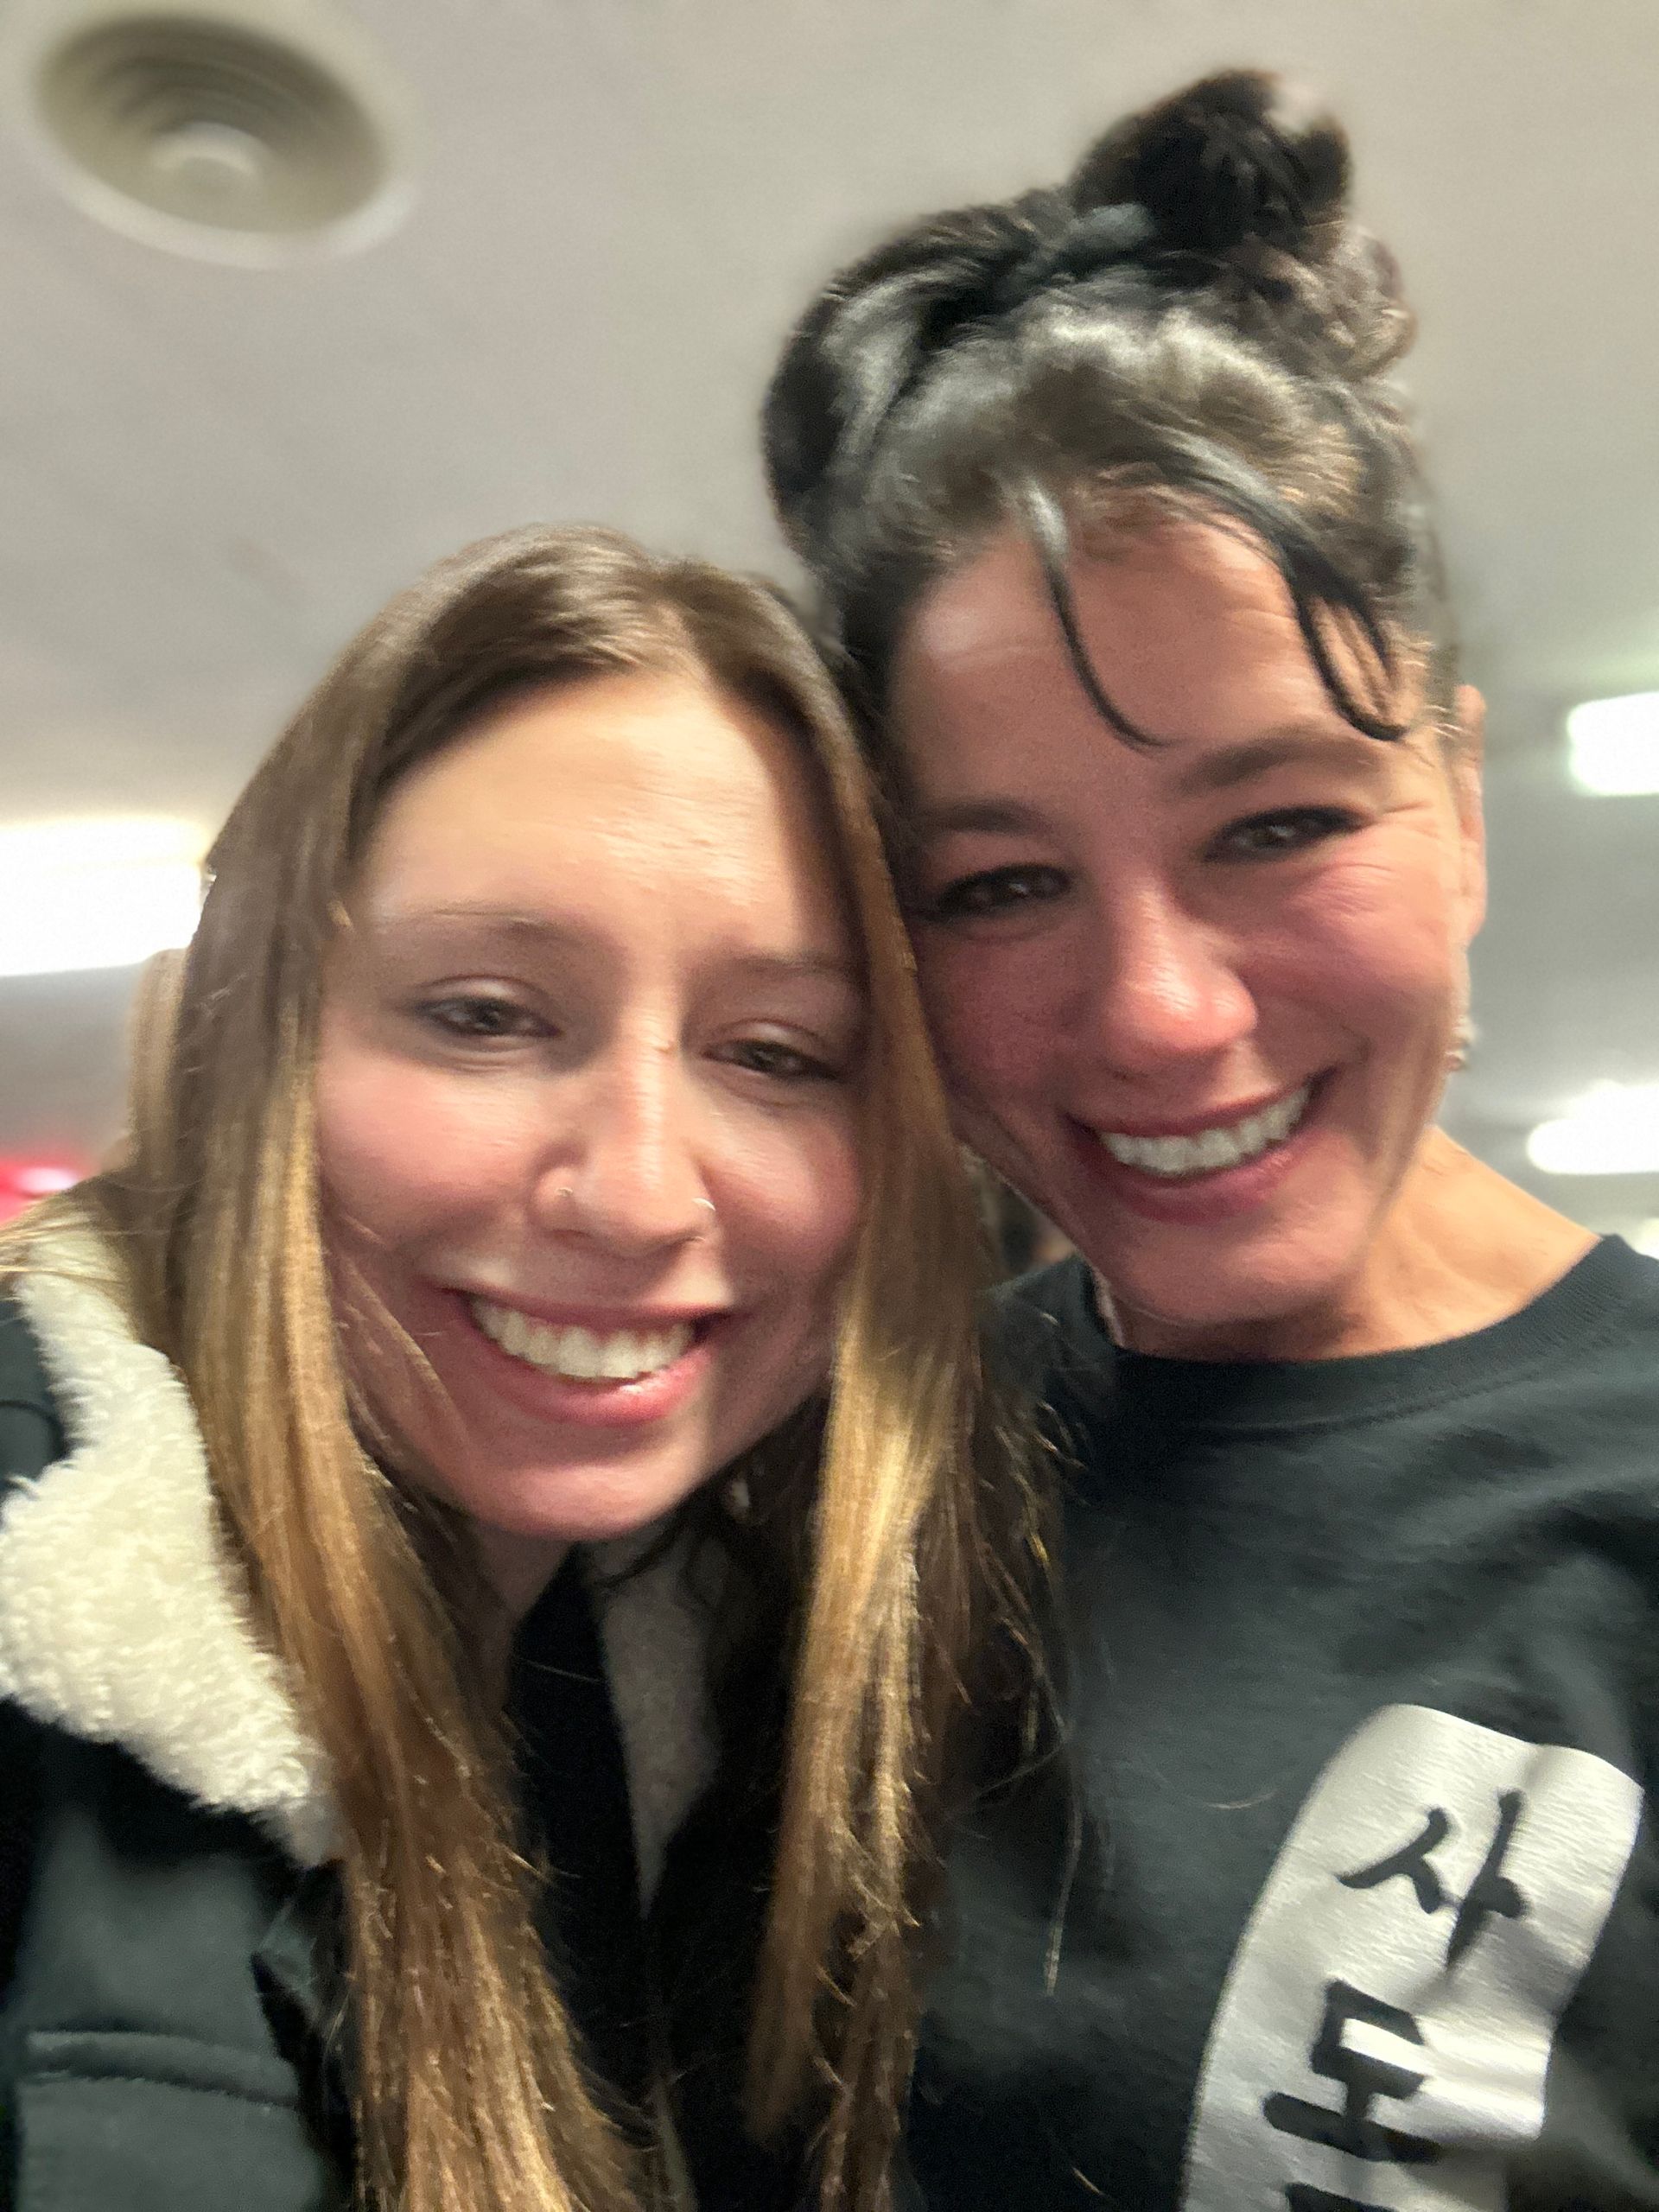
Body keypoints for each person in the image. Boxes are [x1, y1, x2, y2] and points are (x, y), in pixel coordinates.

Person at [761, 68, 1659, 2210]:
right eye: (999, 885)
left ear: (1452, 785)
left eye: (1274, 824)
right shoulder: (843, 1460)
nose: (1162, 1009)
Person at [0, 524, 1026, 2212]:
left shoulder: (683, 1661)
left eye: (776, 1053)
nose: (632, 1188)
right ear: (255, 1030)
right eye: (485, 1012)